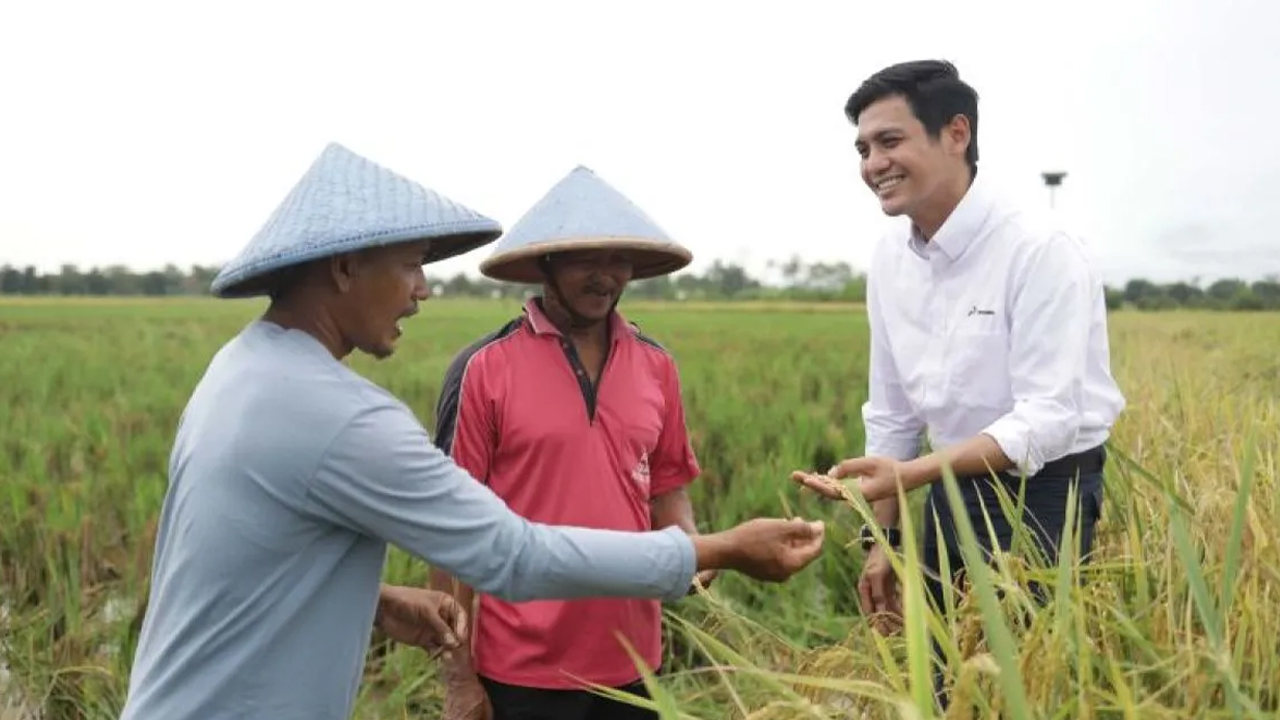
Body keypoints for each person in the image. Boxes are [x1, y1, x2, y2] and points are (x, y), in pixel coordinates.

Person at [116, 142, 827, 720]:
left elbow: (241, 561)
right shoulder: (343, 414)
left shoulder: (238, 372)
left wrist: (378, 602)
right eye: (412, 265)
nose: (424, 289)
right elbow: (510, 555)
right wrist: (719, 551)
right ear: (343, 268)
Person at [791, 59, 1125, 690]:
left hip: (1045, 494)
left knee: (1025, 681)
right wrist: (881, 541)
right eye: (863, 149)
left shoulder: (1040, 248)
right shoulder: (890, 259)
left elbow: (1045, 420)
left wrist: (911, 475)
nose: (872, 164)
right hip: (949, 487)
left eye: (890, 141)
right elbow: (891, 414)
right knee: (945, 677)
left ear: (956, 134)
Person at [428, 166, 712, 720]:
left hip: (634, 662)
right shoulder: (485, 368)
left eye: (619, 260)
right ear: (547, 264)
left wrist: (696, 549)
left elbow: (668, 489)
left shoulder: (656, 366)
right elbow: (447, 528)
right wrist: (458, 678)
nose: (607, 276)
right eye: (588, 259)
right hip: (520, 667)